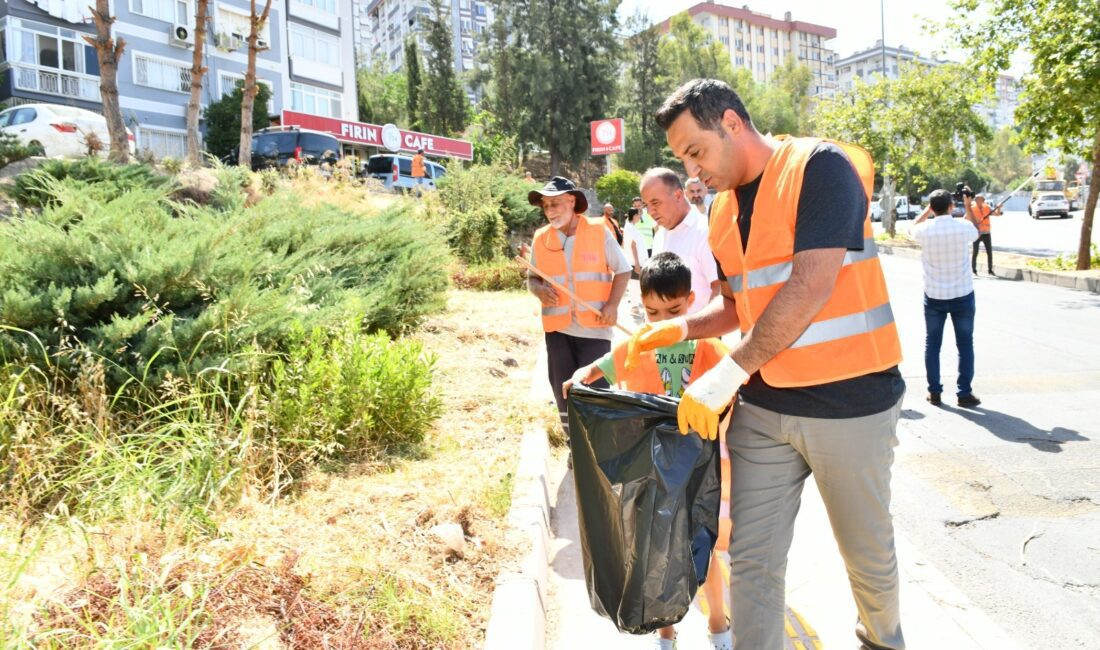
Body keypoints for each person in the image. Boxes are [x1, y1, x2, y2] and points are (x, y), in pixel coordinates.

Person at [631, 78, 906, 650]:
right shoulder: (722, 211)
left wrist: (726, 374)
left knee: (866, 555)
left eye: (696, 152)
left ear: (731, 123)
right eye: (683, 160)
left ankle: (882, 641)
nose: (693, 171)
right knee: (751, 557)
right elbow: (738, 305)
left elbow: (810, 285)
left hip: (850, 402)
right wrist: (681, 327)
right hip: (765, 406)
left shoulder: (819, 167)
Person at [563, 252, 734, 650]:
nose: (661, 321)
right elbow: (603, 366)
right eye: (652, 312)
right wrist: (581, 376)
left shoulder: (709, 347)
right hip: (652, 468)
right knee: (656, 551)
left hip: (698, 467)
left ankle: (718, 622)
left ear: (691, 302)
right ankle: (665, 630)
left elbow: (736, 381)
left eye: (673, 311)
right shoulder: (638, 345)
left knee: (702, 546)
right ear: (642, 306)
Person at [527, 176, 632, 437]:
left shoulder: (598, 232)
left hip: (595, 329)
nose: (550, 211)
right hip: (557, 330)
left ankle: (599, 445)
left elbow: (623, 270)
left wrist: (612, 305)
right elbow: (532, 278)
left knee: (596, 392)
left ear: (572, 202)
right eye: (546, 206)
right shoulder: (541, 238)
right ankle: (574, 444)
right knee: (562, 391)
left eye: (555, 204)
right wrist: (539, 291)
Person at [912, 189, 983, 408]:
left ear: (932, 208)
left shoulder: (924, 230)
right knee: (965, 344)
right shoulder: (963, 227)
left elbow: (911, 227)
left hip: (934, 296)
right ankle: (964, 393)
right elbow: (976, 231)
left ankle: (934, 392)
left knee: (932, 344)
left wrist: (927, 211)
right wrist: (968, 205)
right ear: (952, 206)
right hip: (962, 295)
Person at [641, 168, 720, 315]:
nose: (650, 211)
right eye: (646, 205)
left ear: (678, 195)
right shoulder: (660, 235)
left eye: (655, 203)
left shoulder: (705, 232)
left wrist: (699, 328)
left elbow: (720, 290)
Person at [968, 193, 1001, 275]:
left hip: (986, 233)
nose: (981, 201)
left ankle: (990, 270)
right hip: (977, 233)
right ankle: (974, 270)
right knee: (975, 252)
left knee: (989, 252)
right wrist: (975, 221)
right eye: (978, 199)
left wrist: (999, 208)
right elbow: (966, 218)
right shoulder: (972, 208)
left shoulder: (987, 207)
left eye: (982, 199)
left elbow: (997, 214)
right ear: (976, 200)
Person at [622, 207, 650, 275]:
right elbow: (633, 246)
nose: (640, 217)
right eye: (639, 215)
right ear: (635, 216)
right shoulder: (630, 228)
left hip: (637, 262)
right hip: (636, 264)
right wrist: (637, 263)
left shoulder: (631, 226)